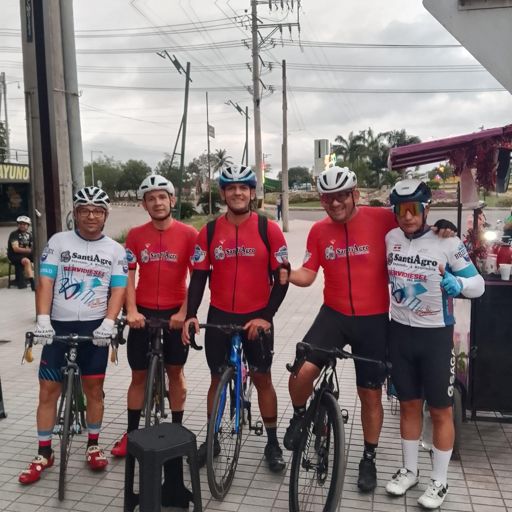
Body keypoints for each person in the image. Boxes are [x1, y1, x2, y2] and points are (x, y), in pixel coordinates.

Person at [182, 164, 289, 473]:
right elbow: (199, 277)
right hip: (220, 315)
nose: (238, 193)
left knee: (262, 378)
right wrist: (191, 315)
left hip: (257, 316)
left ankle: (272, 442)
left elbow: (282, 277)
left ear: (252, 193)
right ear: (223, 194)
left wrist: (266, 317)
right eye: (231, 188)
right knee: (216, 379)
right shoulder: (209, 231)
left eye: (244, 188)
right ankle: (212, 439)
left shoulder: (268, 229)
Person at [384, 180, 484, 509]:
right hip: (400, 333)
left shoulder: (447, 241)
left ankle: (439, 481)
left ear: (426, 209)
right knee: (409, 406)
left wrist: (460, 284)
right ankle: (410, 471)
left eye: (414, 209)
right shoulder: (390, 238)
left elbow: (479, 284)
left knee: (440, 410)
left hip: (436, 336)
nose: (407, 216)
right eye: (401, 209)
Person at [18, 186, 128, 485]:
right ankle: (44, 451)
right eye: (84, 210)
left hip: (95, 328)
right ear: (75, 214)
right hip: (59, 325)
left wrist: (109, 322)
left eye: (97, 211)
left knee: (94, 390)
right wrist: (43, 319)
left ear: (105, 215)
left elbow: (118, 288)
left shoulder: (115, 250)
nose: (91, 216)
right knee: (47, 391)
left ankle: (93, 444)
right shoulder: (59, 241)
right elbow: (45, 281)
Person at [110, 174, 197, 507]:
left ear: (172, 200)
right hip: (143, 313)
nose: (157, 202)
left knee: (175, 373)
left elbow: (196, 277)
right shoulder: (135, 235)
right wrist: (131, 310)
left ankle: (176, 427)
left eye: (162, 197)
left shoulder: (189, 234)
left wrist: (184, 313)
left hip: (175, 311)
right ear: (144, 204)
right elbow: (129, 274)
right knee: (138, 376)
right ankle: (133, 431)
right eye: (151, 198)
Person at [7, 215, 35, 290]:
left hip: (26, 254)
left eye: (24, 224)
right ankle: (32, 283)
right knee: (26, 261)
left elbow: (32, 246)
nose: (22, 225)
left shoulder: (29, 235)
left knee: (40, 258)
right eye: (20, 224)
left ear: (28, 225)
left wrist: (32, 251)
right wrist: (29, 250)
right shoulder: (14, 234)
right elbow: (16, 249)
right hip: (14, 255)